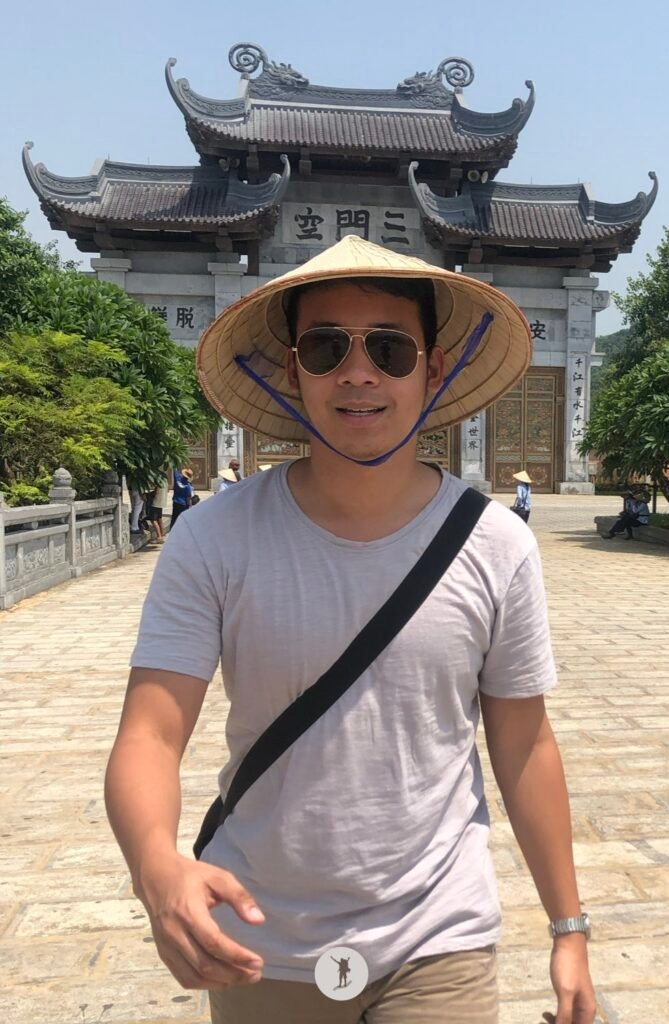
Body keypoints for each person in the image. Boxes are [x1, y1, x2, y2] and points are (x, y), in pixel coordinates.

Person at [105, 236, 595, 1024]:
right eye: (326, 347)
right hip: (262, 935)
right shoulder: (214, 539)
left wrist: (568, 929)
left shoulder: (496, 545)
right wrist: (156, 869)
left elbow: (524, 742)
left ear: (433, 370)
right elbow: (150, 735)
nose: (358, 373)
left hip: (439, 934)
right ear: (292, 368)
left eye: (390, 349)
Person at [148, 477, 169, 542]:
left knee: (153, 520)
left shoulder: (159, 481)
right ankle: (162, 534)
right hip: (162, 502)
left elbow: (155, 492)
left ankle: (159, 536)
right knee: (159, 518)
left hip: (156, 502)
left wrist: (149, 494)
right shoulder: (165, 481)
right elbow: (168, 490)